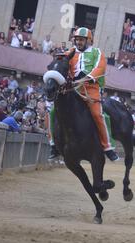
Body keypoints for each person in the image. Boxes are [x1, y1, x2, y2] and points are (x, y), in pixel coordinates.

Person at [48, 27, 118, 161]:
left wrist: (85, 78)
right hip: (71, 89)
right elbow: (60, 63)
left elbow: (100, 68)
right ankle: (53, 145)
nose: (78, 42)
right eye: (76, 39)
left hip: (90, 89)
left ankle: (108, 147)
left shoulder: (97, 52)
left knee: (98, 115)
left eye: (81, 40)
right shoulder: (70, 52)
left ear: (89, 40)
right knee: (52, 112)